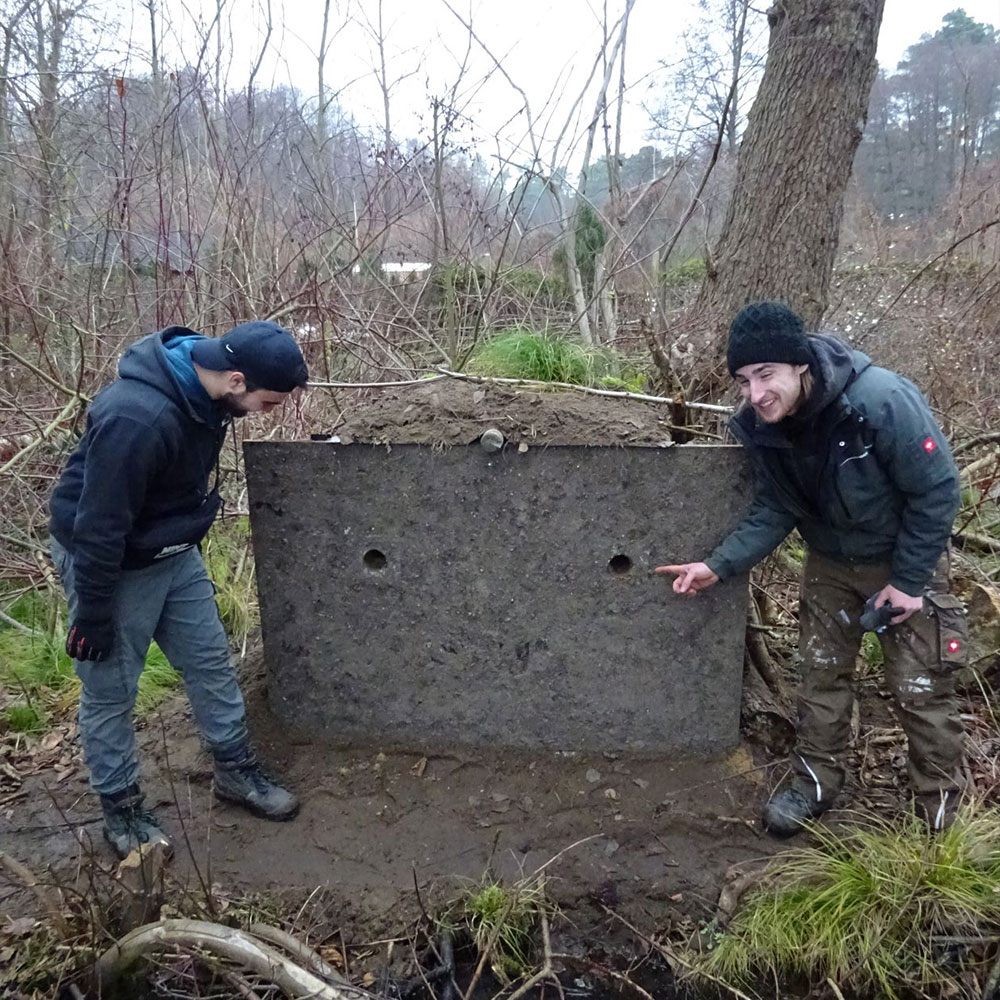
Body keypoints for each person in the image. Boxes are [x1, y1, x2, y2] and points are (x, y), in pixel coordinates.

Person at [657, 302, 967, 836]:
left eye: (766, 374)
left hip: (903, 562)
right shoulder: (763, 424)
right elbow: (779, 506)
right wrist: (718, 565)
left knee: (920, 688)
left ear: (800, 365)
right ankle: (816, 784)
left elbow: (937, 490)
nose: (755, 394)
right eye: (744, 380)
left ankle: (939, 811)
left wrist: (910, 581)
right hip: (828, 564)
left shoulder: (880, 401)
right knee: (821, 680)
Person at [49, 321, 308, 858]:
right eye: (267, 403)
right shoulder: (135, 418)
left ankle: (236, 772)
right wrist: (94, 615)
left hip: (171, 550)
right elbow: (97, 526)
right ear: (236, 379)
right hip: (112, 562)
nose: (267, 413)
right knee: (111, 691)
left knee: (211, 663)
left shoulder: (207, 392)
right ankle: (122, 811)